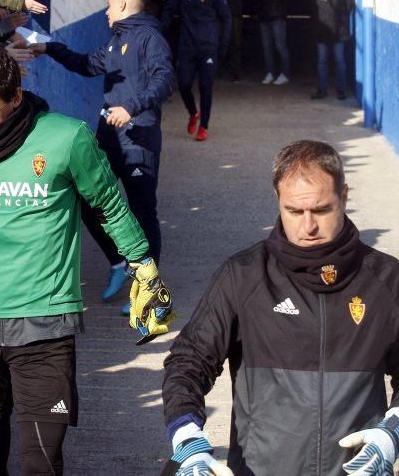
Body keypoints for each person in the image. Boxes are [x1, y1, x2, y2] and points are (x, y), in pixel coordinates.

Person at [0, 48, 173, 475]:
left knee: (41, 462)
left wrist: (142, 264)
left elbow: (109, 205)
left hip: (44, 323)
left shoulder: (67, 137)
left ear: (15, 98)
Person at [161, 140, 399, 475]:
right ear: (278, 201)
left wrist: (392, 432)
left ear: (344, 197)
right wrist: (187, 441)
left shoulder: (387, 280)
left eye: (321, 210)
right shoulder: (243, 276)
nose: (308, 226)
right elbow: (187, 363)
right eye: (294, 211)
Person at [33, 0, 175, 306]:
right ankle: (119, 262)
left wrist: (132, 108)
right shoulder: (116, 41)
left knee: (142, 212)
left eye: (109, 7)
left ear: (123, 6)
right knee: (88, 200)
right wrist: (48, 47)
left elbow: (165, 80)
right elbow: (85, 65)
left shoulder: (150, 38)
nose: (106, 13)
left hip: (139, 140)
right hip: (109, 139)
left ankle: (150, 291)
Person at [162, 0, 231, 141]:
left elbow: (226, 18)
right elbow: (168, 12)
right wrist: (159, 30)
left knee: (206, 87)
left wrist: (223, 44)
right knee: (183, 84)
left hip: (208, 48)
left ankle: (204, 126)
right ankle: (193, 113)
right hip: (187, 47)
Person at [311, 0, 354, 101]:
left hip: (338, 32)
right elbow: (312, 9)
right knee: (322, 61)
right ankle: (322, 90)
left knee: (340, 61)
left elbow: (349, 5)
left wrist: (340, 21)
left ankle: (341, 90)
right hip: (322, 31)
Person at [251, 0, 292, 86]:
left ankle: (285, 73)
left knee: (280, 46)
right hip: (264, 15)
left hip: (277, 15)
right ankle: (270, 72)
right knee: (267, 47)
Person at [210, 0, 247, 81]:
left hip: (235, 15)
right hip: (218, 16)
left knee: (236, 45)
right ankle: (217, 70)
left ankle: (235, 72)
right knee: (217, 43)